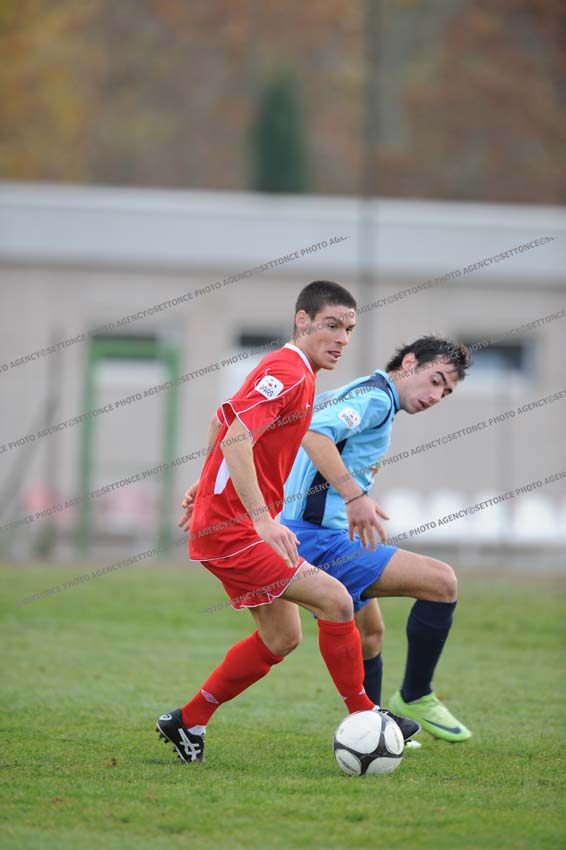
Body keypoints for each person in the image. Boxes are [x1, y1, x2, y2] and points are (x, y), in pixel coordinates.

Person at [156, 281, 419, 764]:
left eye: (349, 329)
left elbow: (221, 420)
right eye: (332, 325)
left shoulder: (293, 370)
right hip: (234, 531)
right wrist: (260, 519)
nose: (342, 338)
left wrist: (205, 482)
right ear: (303, 321)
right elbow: (237, 437)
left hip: (229, 523)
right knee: (336, 601)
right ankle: (366, 715)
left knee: (283, 637)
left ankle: (187, 722)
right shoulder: (288, 370)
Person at [281, 336, 472, 743]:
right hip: (316, 540)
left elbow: (291, 432)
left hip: (315, 534)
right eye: (435, 380)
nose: (436, 396)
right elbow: (314, 435)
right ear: (409, 362)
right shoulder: (376, 399)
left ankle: (373, 728)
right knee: (442, 582)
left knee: (369, 634)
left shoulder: (364, 392)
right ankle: (416, 696)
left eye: (446, 392)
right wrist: (355, 496)